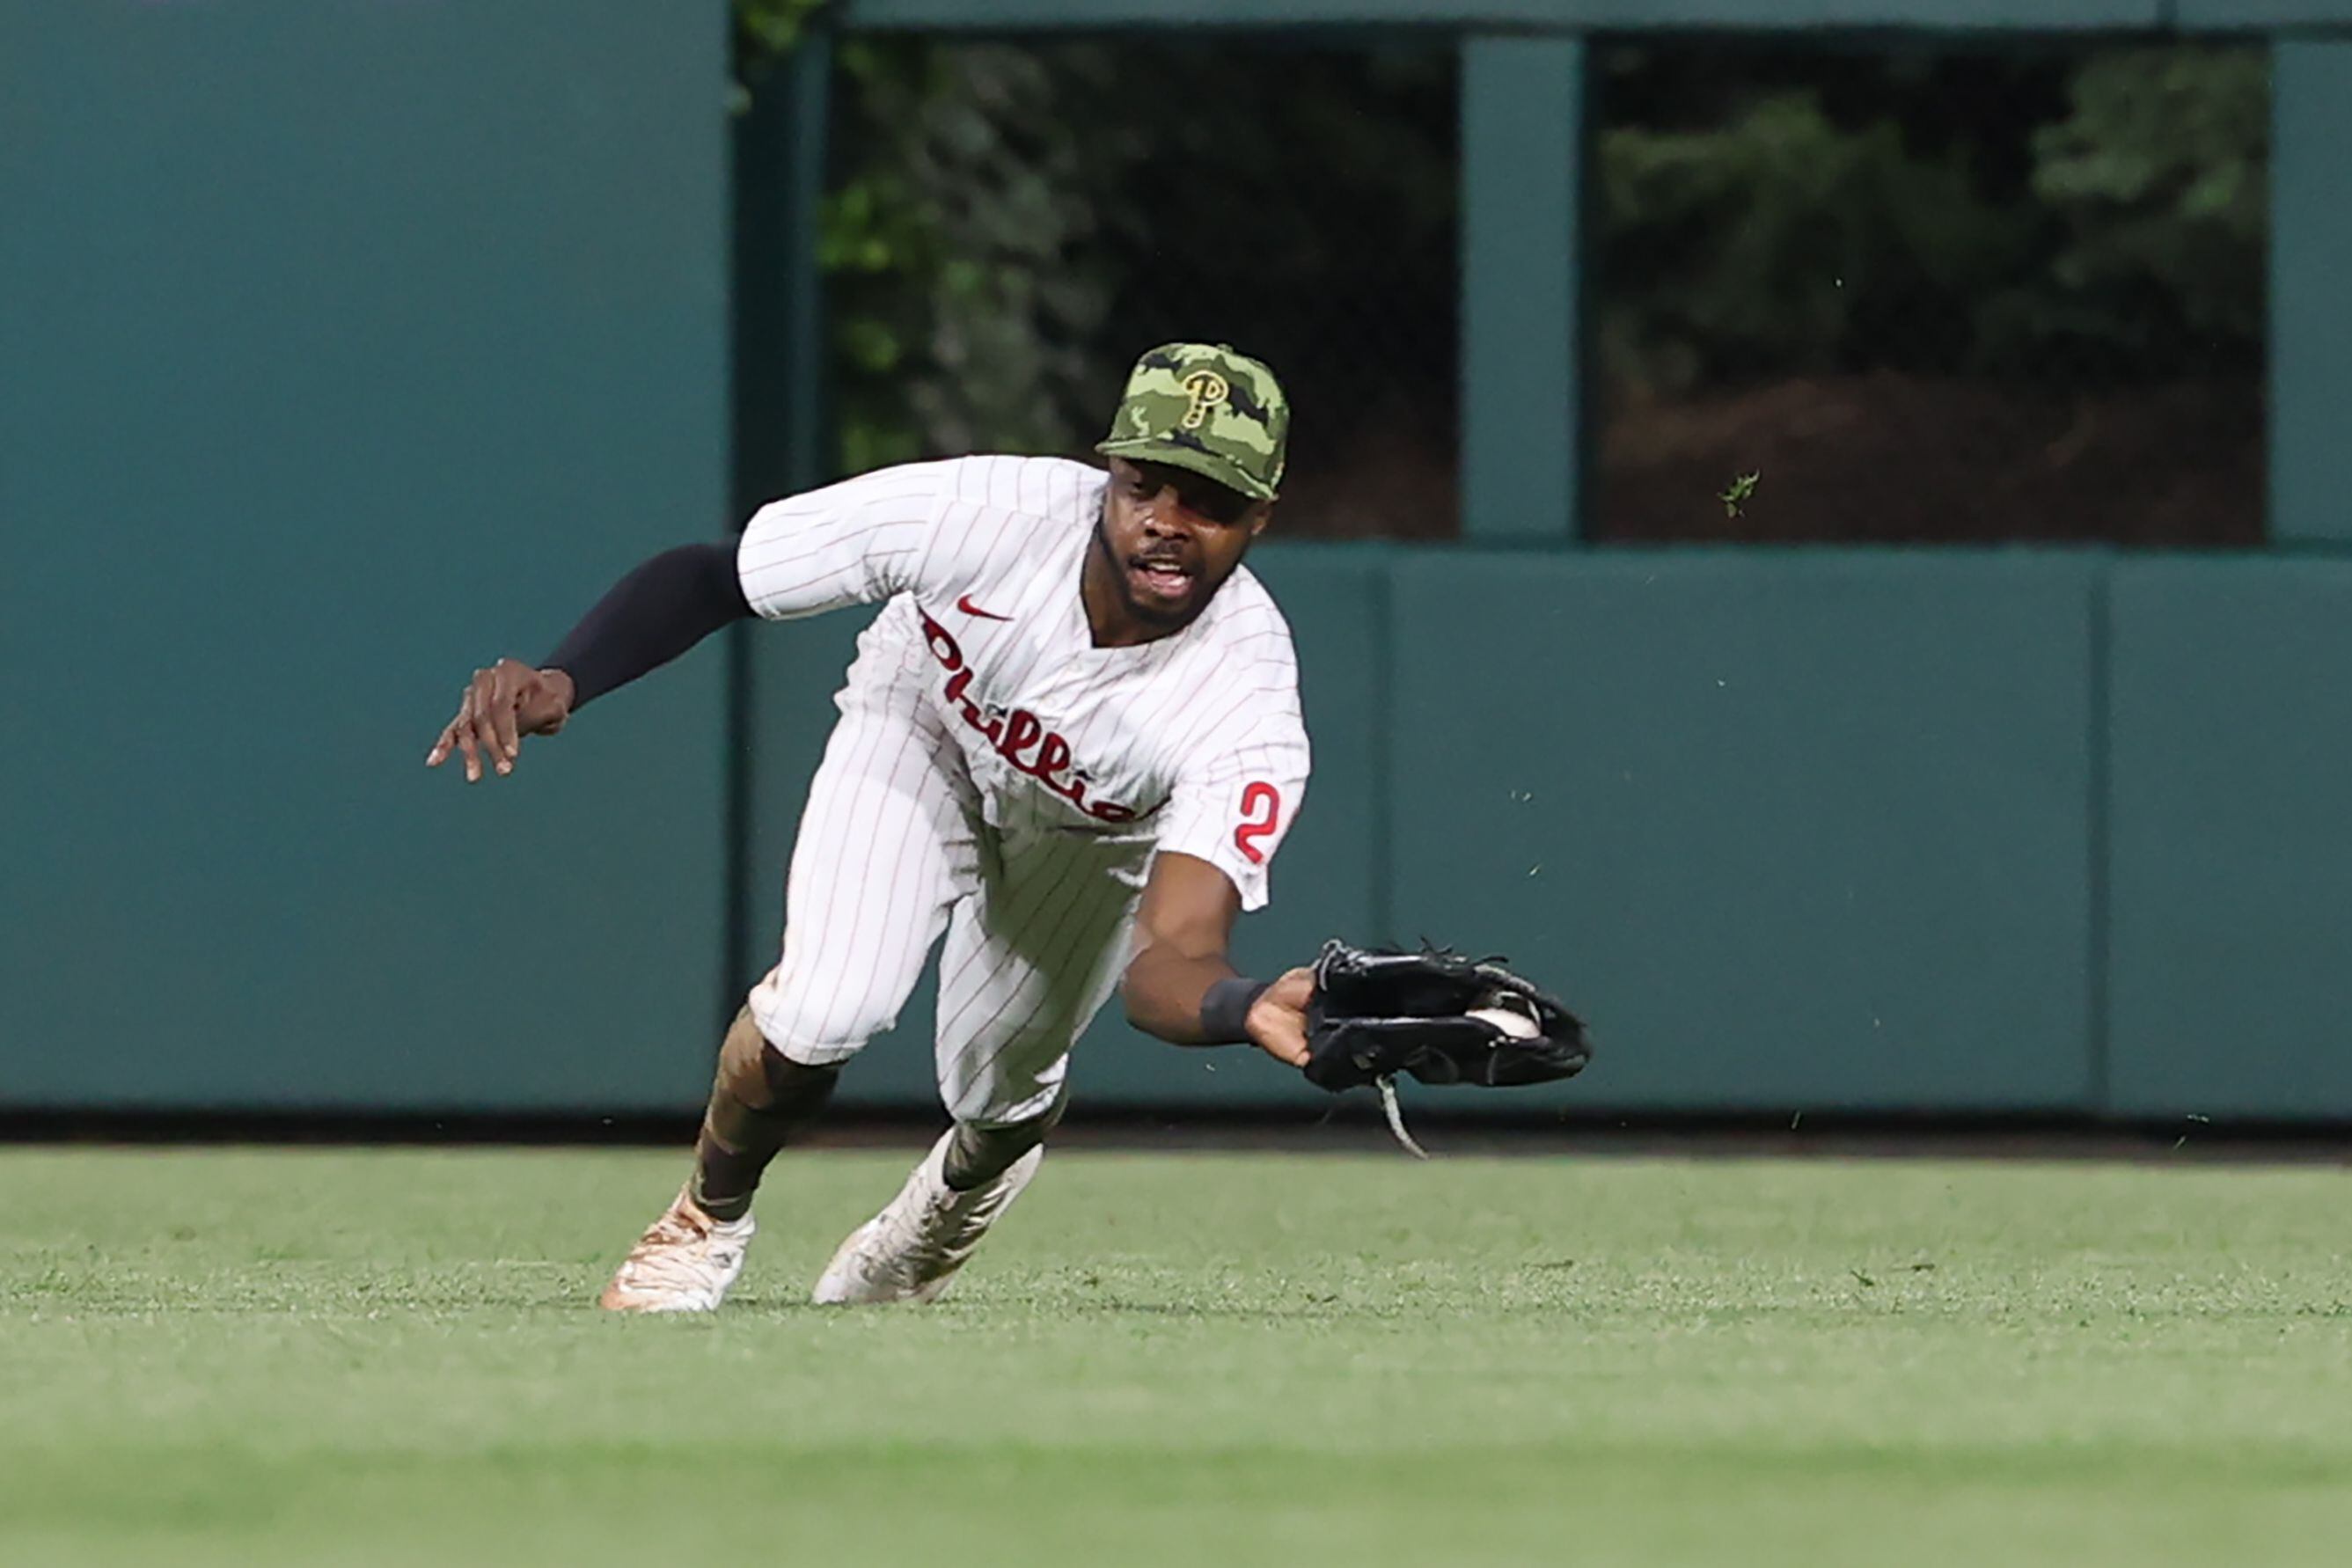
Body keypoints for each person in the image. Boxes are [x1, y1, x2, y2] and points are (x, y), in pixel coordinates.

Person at [427, 343, 1317, 1311]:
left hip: (1089, 839)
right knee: (825, 1007)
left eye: (1212, 503)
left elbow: (1172, 959)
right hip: (923, 726)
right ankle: (703, 1223)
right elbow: (718, 576)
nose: (1167, 524)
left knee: (1001, 1089)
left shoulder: (1248, 698)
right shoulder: (988, 514)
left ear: (1259, 519)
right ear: (1108, 474)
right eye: (1147, 486)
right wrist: (567, 677)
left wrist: (1247, 1005)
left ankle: (942, 1214)